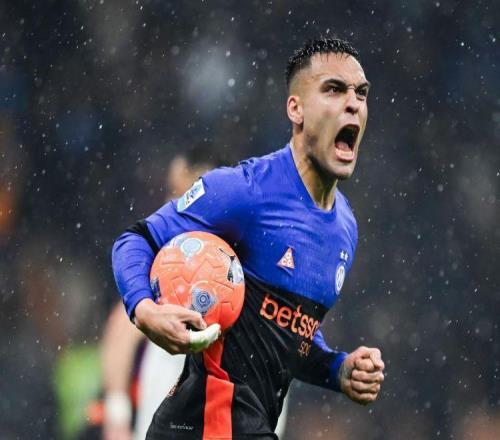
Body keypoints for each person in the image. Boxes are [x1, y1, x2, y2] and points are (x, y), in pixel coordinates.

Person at [112, 37, 385, 439]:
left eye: (361, 93)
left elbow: (288, 339)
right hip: (204, 425)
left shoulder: (345, 229)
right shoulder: (245, 191)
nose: (353, 104)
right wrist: (145, 310)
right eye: (333, 89)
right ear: (296, 109)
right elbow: (135, 240)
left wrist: (337, 369)